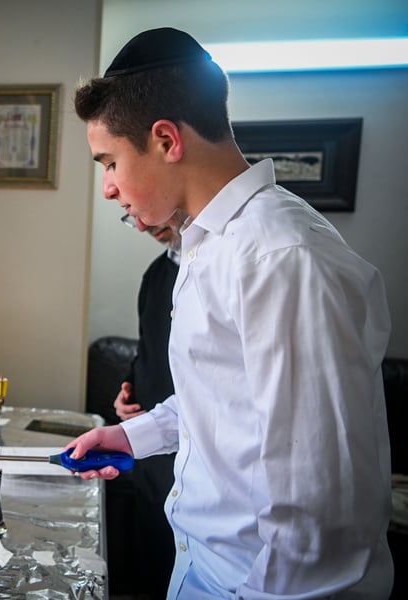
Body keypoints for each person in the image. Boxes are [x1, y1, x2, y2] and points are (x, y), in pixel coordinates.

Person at [67, 27, 393, 598]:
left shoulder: (281, 258)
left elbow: (318, 508)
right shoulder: (205, 247)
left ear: (166, 139)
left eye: (110, 162)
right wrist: (132, 435)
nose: (108, 189)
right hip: (199, 568)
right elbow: (223, 403)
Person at [109, 210, 186, 598]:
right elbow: (149, 353)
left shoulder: (211, 272)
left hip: (187, 459)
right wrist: (129, 392)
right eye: (129, 217)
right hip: (149, 459)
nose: (141, 224)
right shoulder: (156, 276)